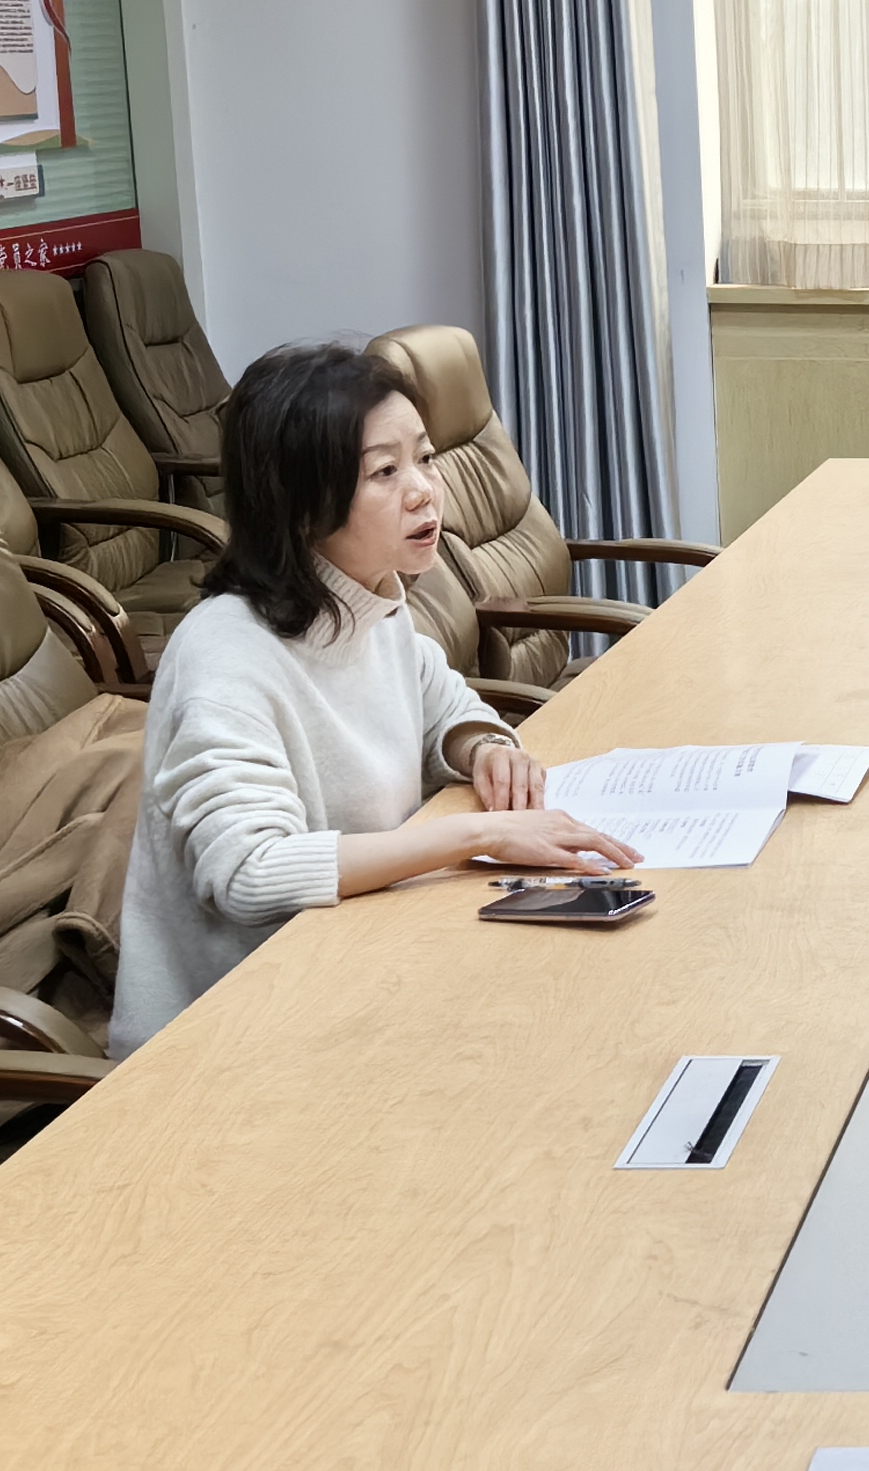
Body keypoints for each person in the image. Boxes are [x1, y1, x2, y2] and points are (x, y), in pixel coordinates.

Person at [110, 345, 639, 1058]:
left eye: (425, 458)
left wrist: (483, 746)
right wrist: (476, 836)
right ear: (300, 501)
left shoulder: (368, 599)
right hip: (233, 1034)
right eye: (385, 472)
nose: (424, 491)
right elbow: (249, 873)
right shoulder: (226, 655)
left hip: (358, 966)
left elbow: (440, 701)